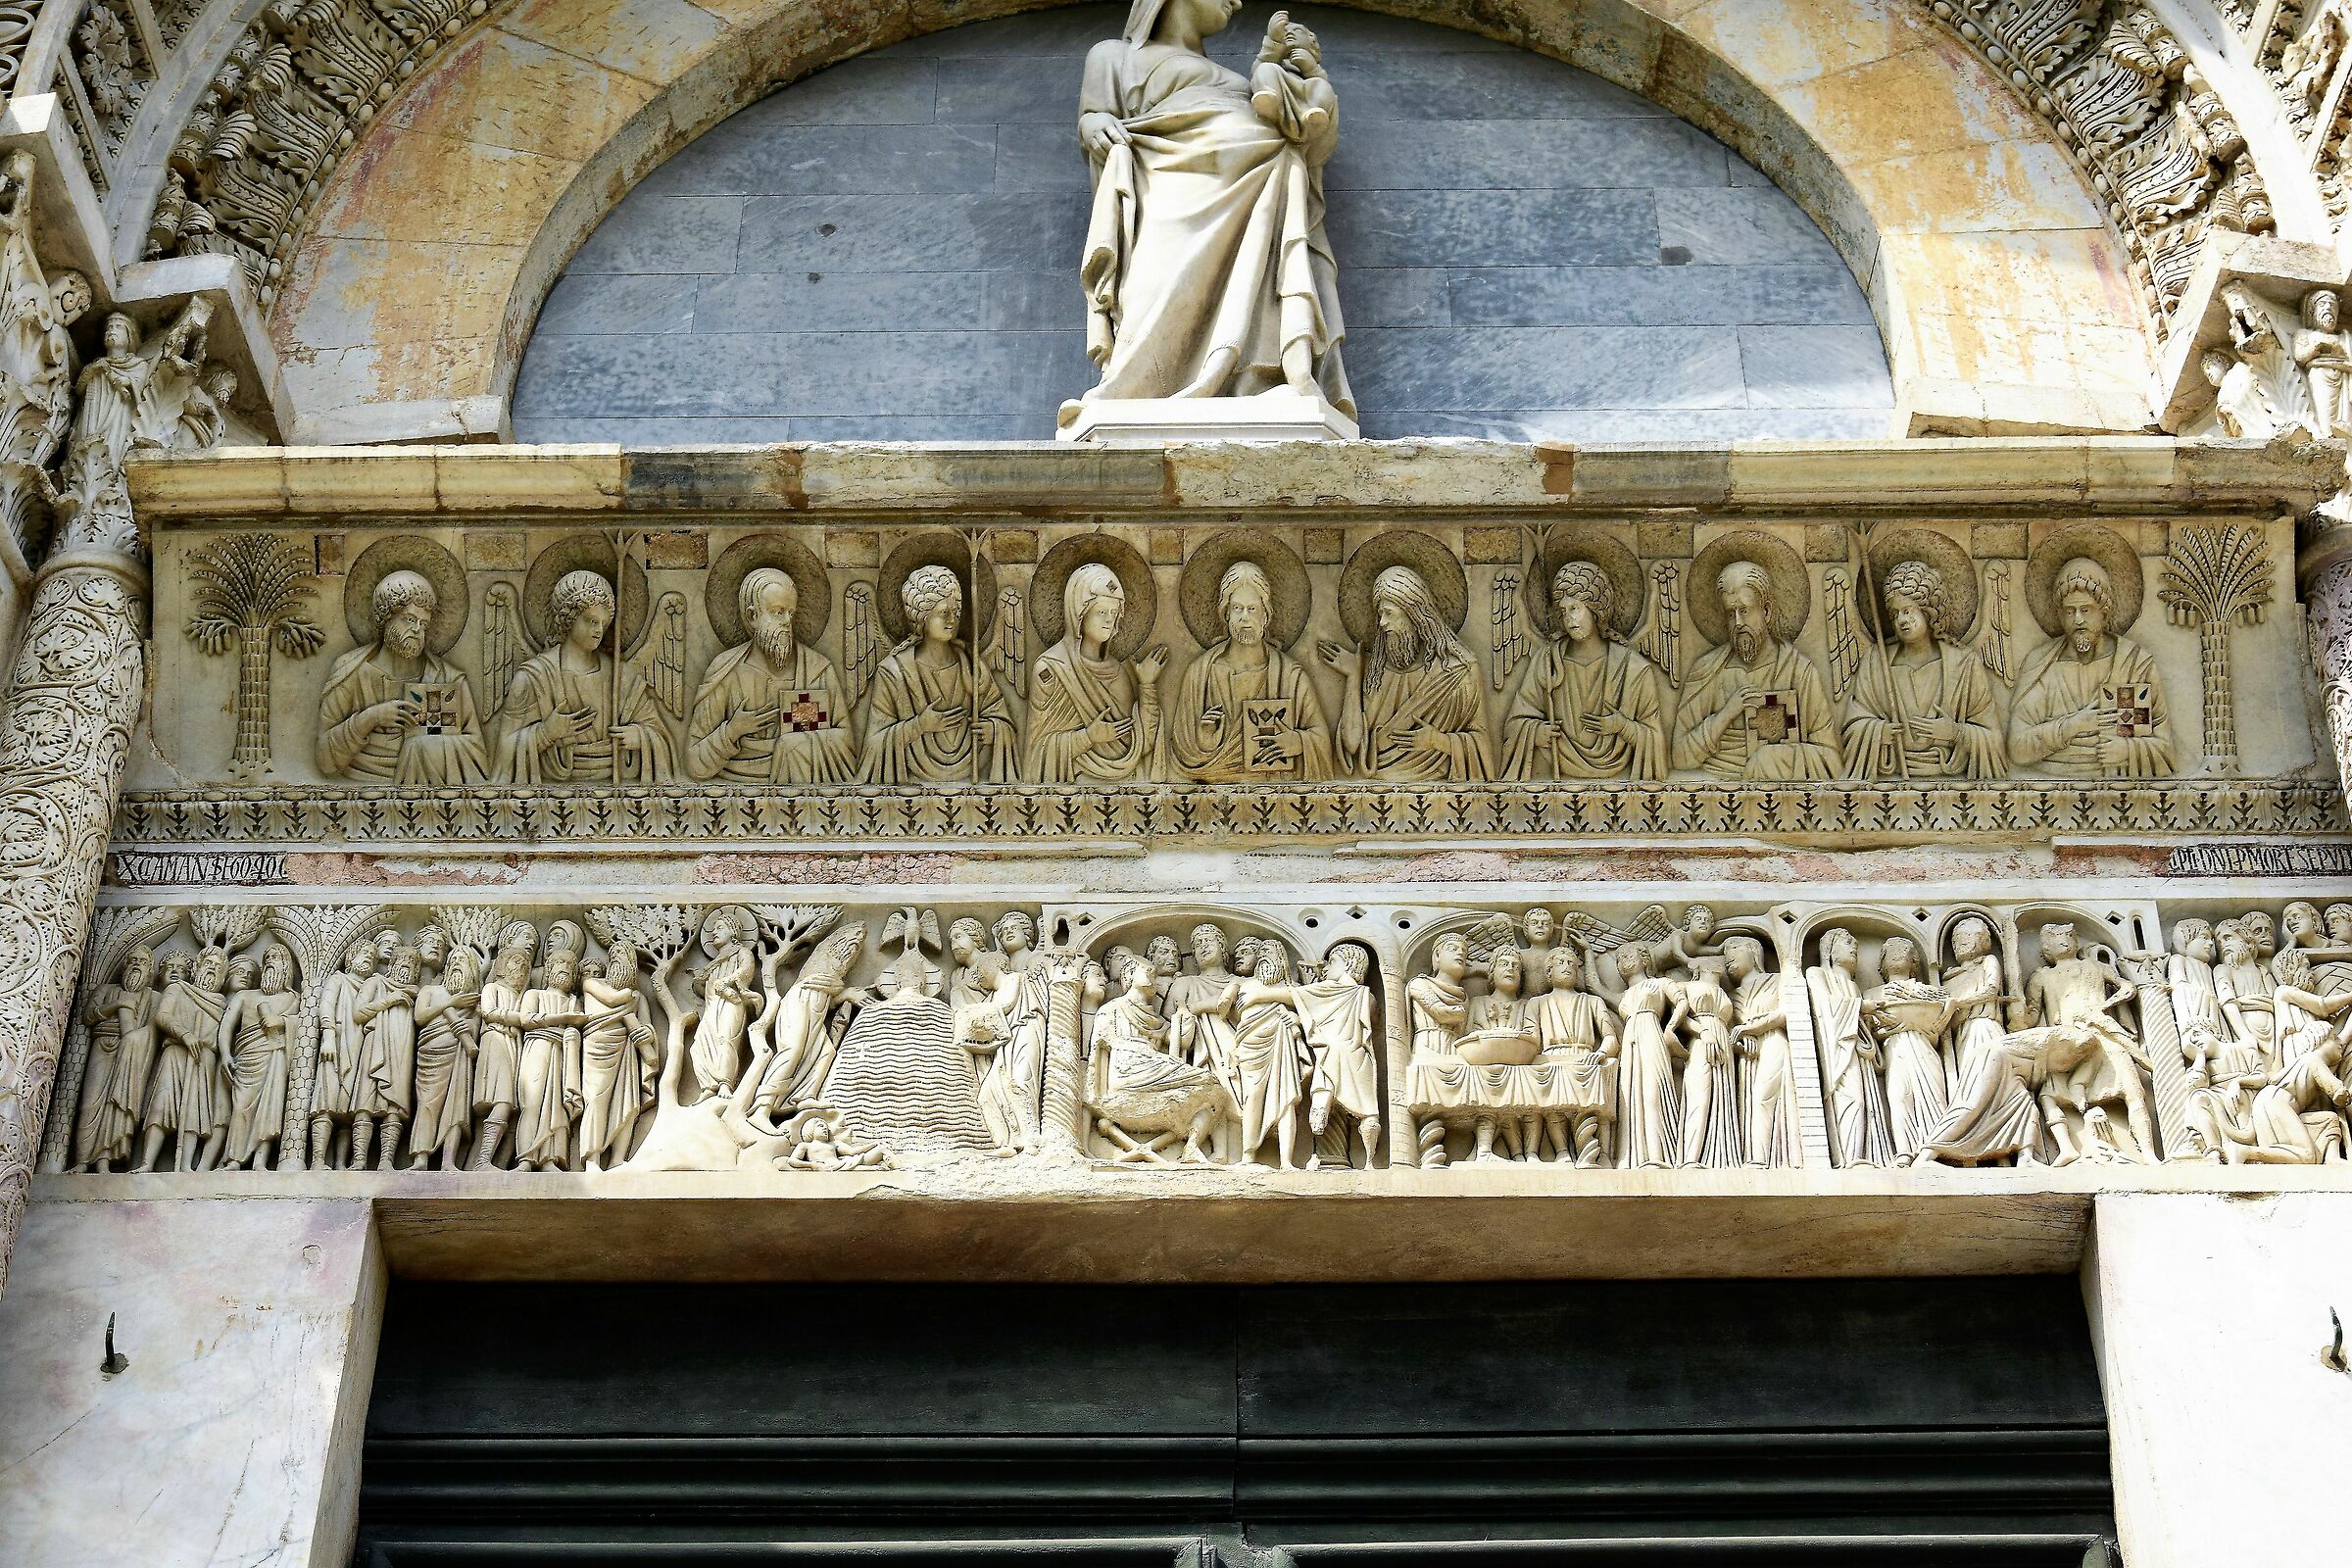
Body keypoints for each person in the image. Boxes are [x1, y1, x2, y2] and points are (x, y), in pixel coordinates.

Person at [1066, 0, 1352, 425]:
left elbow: (1308, 135)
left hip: (1263, 182)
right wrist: (1093, 125)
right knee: (1158, 282)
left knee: (1262, 276)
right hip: (1168, 183)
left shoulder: (1248, 75)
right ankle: (1133, 386)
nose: (1235, 2)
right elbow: (1096, 115)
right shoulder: (1115, 55)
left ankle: (1257, 381)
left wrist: (1302, 77)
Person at [496, 569, 675, 783]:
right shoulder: (534, 678)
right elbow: (504, 753)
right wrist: (545, 733)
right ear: (569, 619)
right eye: (591, 621)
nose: (599, 630)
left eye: (604, 623)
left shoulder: (622, 677)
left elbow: (660, 735)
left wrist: (641, 736)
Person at [688, 565, 858, 784]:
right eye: (778, 612)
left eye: (791, 613)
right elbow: (694, 763)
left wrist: (796, 746)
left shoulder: (817, 669)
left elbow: (847, 745)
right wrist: (732, 731)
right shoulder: (726, 671)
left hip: (804, 792)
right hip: (734, 790)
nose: (788, 622)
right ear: (752, 616)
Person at [1320, 565, 1492, 781]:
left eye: (1389, 613)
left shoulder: (1459, 673)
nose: (1382, 623)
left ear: (1415, 614)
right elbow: (1353, 743)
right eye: (1380, 614)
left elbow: (1482, 744)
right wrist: (1353, 676)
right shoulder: (1375, 673)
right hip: (1375, 792)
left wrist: (1438, 741)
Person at [1501, 561, 1669, 780]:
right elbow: (1515, 723)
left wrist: (1622, 726)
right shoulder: (1548, 661)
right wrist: (1535, 733)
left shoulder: (1634, 669)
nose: (1569, 618)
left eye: (1575, 608)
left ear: (1595, 609)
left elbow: (1655, 739)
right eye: (1562, 611)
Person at [317, 568, 489, 782]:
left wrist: (424, 747)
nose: (417, 629)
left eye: (423, 623)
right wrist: (370, 718)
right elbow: (325, 758)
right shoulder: (351, 673)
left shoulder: (447, 679)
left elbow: (477, 753)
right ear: (386, 618)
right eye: (409, 619)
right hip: (362, 789)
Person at [2006, 558, 2173, 777]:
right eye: (2069, 612)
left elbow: (2166, 750)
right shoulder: (2043, 666)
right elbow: (2018, 748)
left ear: (2103, 614)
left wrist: (2128, 750)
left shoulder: (2134, 664)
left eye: (2085, 610)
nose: (2077, 620)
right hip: (2048, 786)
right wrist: (2074, 725)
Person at [1674, 560, 1839, 779]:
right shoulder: (1707, 670)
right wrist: (1725, 715)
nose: (1739, 622)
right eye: (1731, 613)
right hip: (1712, 790)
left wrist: (1771, 760)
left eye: (1745, 610)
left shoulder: (1798, 671)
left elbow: (1831, 761)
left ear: (1767, 611)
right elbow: (1679, 756)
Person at [1170, 561, 1334, 782]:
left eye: (1252, 609)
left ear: (1266, 615)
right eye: (1237, 608)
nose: (1245, 617)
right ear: (1225, 614)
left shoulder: (1290, 676)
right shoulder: (1200, 675)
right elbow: (1180, 755)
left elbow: (1322, 739)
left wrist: (1298, 742)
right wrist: (1203, 739)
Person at [1840, 560, 2005, 779]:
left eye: (1908, 611)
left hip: (1950, 784)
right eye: (1894, 613)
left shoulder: (1964, 664)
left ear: (1928, 611)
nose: (1901, 620)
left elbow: (1993, 738)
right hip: (1892, 779)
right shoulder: (1876, 663)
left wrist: (1955, 733)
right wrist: (1880, 733)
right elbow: (1853, 727)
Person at [861, 564, 1016, 784]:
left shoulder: (973, 666)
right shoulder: (894, 673)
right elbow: (874, 745)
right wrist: (919, 726)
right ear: (922, 616)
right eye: (943, 613)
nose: (952, 619)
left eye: (956, 611)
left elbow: (1002, 718)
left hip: (972, 780)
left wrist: (994, 730)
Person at [1026, 562, 1166, 782]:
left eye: (1114, 612)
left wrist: (1147, 685)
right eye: (1101, 612)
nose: (1110, 619)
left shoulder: (1119, 673)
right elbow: (1037, 754)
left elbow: (1141, 744)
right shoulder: (1051, 670)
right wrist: (1088, 737)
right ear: (1079, 615)